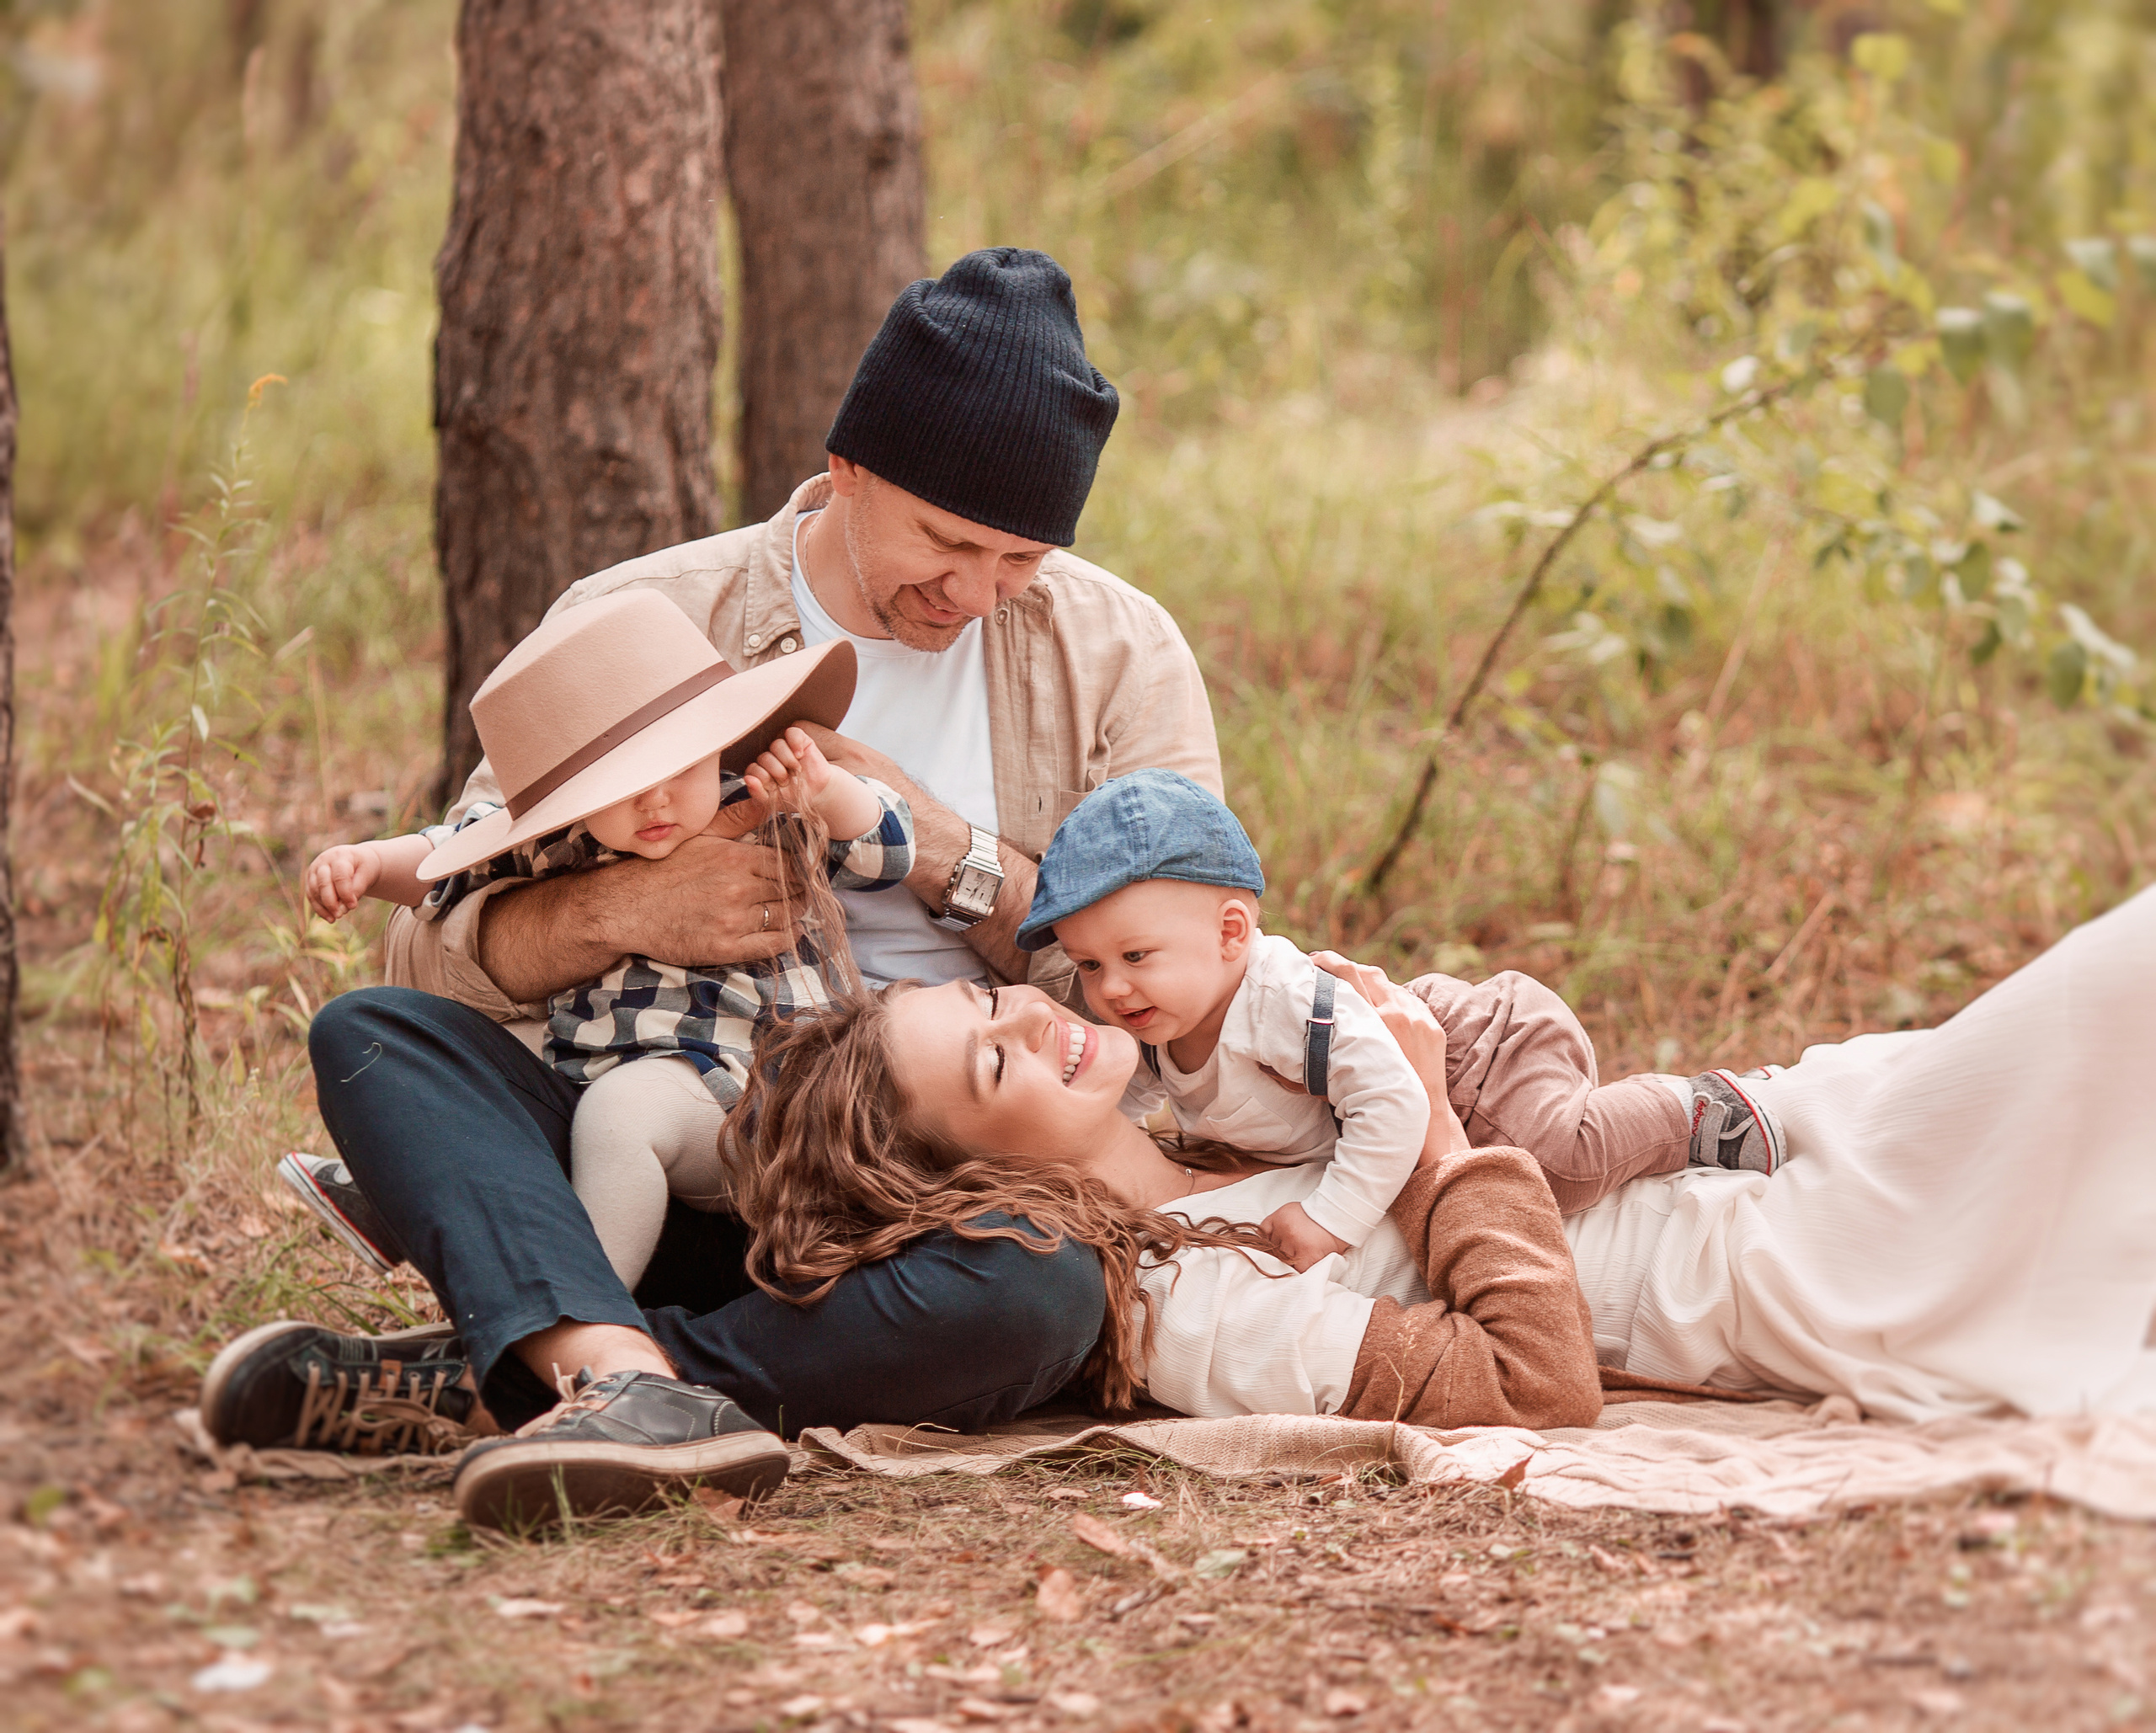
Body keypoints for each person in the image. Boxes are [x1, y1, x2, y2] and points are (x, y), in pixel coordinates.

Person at [200, 248, 1217, 1525]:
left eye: (1019, 560)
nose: (975, 593)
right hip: (664, 1158)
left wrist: (943, 843)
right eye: (949, 541)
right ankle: (615, 1368)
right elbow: (432, 945)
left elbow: (1180, 995)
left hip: (952, 1193)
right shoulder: (643, 618)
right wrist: (619, 912)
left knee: (1046, 1291)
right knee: (374, 1036)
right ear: (847, 467)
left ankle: (560, 1371)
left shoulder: (1118, 656)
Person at [728, 883, 2156, 1425]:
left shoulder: (1203, 1112)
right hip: (1790, 1260)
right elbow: (1534, 1383)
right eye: (993, 1064)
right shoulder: (1191, 1310)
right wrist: (1437, 1136)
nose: (1044, 1023)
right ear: (976, 1177)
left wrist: (1421, 1052)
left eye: (998, 1001)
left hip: (1791, 1125)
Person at [296, 591, 911, 1292]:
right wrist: (370, 865)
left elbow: (888, 850)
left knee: (620, 1118)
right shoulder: (566, 844)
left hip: (754, 1093)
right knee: (464, 1058)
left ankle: (588, 1312)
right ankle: (396, 1185)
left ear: (717, 747)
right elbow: (449, 859)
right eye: (623, 787)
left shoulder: (766, 810)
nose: (655, 804)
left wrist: (827, 794)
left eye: (680, 770)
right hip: (602, 1066)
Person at [1018, 769, 1785, 1273]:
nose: (1112, 989)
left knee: (1559, 1166)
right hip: (1419, 1076)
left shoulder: (1279, 1005)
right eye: (1088, 967)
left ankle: (1703, 1107)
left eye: (1135, 956)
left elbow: (1394, 1103)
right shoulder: (1160, 1021)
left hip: (1473, 1056)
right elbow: (1119, 1109)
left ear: (1229, 934)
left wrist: (1331, 1221)